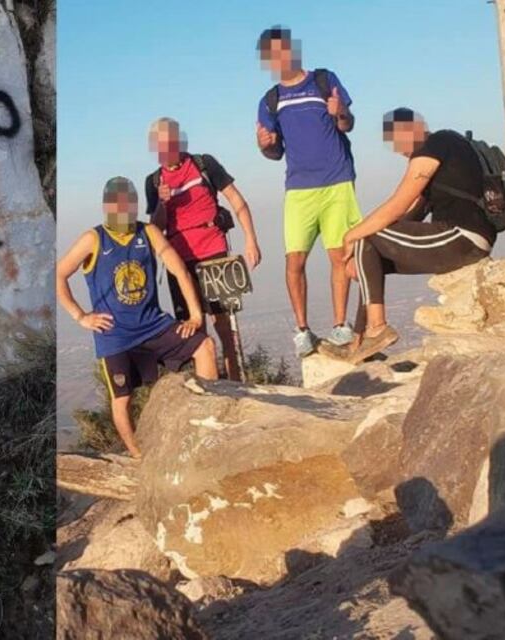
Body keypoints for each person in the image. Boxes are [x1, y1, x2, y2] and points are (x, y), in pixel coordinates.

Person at [56, 177, 219, 457]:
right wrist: (81, 316)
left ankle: (210, 424)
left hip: (154, 325)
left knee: (205, 347)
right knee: (122, 400)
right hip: (116, 336)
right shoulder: (93, 239)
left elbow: (179, 270)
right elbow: (59, 274)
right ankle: (138, 456)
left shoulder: (148, 232)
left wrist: (195, 315)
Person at [328, 108, 496, 363]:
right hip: (462, 239)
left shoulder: (436, 143)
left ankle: (377, 329)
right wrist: (364, 259)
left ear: (411, 129)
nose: (398, 150)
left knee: (365, 236)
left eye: (396, 141)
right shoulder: (445, 151)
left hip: (461, 236)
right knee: (370, 248)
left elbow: (397, 205)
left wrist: (350, 237)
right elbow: (407, 219)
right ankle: (360, 344)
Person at [255, 25, 360, 357]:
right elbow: (275, 153)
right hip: (299, 188)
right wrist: (265, 146)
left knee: (340, 256)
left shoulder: (324, 80)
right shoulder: (270, 100)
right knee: (294, 260)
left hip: (337, 180)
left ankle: (341, 325)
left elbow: (347, 123)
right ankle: (302, 331)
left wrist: (339, 112)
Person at [144, 117, 262, 380]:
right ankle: (210, 391)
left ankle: (236, 385)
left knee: (225, 325)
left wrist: (251, 239)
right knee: (196, 333)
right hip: (180, 263)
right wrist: (163, 203)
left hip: (214, 253)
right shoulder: (153, 182)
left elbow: (236, 200)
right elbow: (155, 229)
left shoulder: (203, 164)